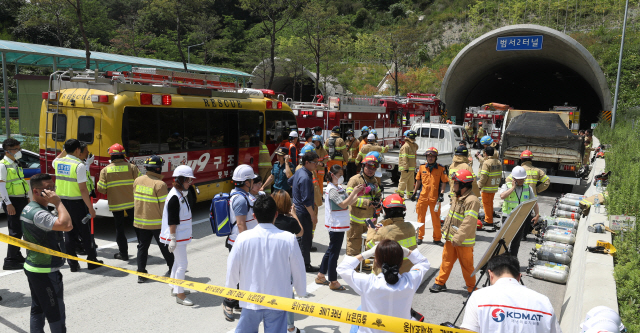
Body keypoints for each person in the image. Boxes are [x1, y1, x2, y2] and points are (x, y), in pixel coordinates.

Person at [226, 195, 307, 333]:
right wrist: (301, 291)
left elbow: (232, 267)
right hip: (278, 299)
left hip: (250, 299)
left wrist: (230, 290)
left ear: (254, 215)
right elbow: (298, 268)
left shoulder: (242, 238)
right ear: (276, 214)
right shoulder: (288, 239)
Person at [337, 239, 431, 333]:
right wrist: (405, 251)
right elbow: (423, 262)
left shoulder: (368, 282)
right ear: (401, 261)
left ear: (376, 262)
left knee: (360, 310)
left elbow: (342, 268)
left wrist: (367, 254)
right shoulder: (410, 281)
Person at [21, 174, 72, 332]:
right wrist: (58, 203)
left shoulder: (30, 208)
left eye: (53, 187)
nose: (53, 192)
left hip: (34, 267)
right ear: (36, 192)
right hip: (45, 270)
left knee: (38, 308)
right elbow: (67, 225)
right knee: (56, 313)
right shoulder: (39, 213)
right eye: (48, 189)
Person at [460, 254, 561, 333]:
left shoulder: (478, 297)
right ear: (519, 277)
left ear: (490, 274)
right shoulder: (543, 302)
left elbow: (468, 330)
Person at [429, 169, 480, 296]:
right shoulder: (457, 196)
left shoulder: (472, 201)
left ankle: (472, 288)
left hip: (463, 241)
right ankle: (440, 283)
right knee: (446, 261)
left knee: (467, 266)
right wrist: (445, 230)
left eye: (455, 183)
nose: (453, 185)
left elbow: (469, 222)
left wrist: (457, 238)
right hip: (450, 238)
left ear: (463, 185)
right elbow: (451, 216)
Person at [53, 139, 102, 271]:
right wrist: (91, 208)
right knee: (85, 232)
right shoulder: (78, 165)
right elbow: (83, 189)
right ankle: (92, 261)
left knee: (68, 232)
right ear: (77, 150)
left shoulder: (57, 162)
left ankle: (73, 264)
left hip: (62, 203)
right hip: (77, 203)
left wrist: (66, 149)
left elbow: (59, 156)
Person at [317, 164, 363, 291]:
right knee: (334, 253)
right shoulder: (331, 189)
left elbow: (348, 202)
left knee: (331, 250)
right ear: (332, 175)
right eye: (339, 175)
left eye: (342, 175)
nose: (341, 177)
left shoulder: (338, 187)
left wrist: (357, 194)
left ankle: (321, 275)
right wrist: (353, 192)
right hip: (335, 225)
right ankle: (333, 280)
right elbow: (343, 205)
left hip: (340, 224)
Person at [224, 164, 259, 319]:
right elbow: (240, 224)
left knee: (243, 275)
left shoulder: (242, 196)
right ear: (246, 182)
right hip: (239, 243)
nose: (253, 181)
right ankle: (228, 304)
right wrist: (246, 245)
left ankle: (238, 301)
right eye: (251, 179)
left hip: (241, 242)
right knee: (235, 275)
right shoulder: (240, 200)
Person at [133, 155, 174, 283]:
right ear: (157, 169)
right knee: (165, 247)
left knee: (142, 247)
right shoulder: (160, 184)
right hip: (156, 223)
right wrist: (168, 225)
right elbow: (164, 208)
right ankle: (173, 269)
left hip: (140, 221)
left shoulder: (137, 180)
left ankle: (141, 274)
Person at [96, 143, 141, 261]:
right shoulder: (132, 167)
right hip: (132, 202)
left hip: (116, 204)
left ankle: (123, 254)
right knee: (138, 226)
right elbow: (140, 182)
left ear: (111, 156)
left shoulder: (105, 170)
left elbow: (101, 189)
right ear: (123, 155)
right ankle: (142, 249)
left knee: (119, 229)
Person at [160, 165, 195, 306]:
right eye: (188, 180)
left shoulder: (180, 193)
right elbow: (172, 220)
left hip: (181, 235)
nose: (190, 183)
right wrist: (173, 239)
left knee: (177, 262)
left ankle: (175, 288)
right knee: (182, 264)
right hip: (177, 236)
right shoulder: (175, 197)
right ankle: (180, 295)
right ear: (180, 180)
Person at [271, 190, 306, 333]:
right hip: (285, 264)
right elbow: (301, 232)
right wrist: (294, 215)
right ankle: (290, 327)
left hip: (270, 263)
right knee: (288, 296)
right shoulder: (290, 222)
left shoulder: (269, 221)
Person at [1, 138, 30, 270]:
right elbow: (1, 187)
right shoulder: (3, 165)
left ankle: (17, 255)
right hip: (12, 201)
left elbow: (20, 182)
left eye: (19, 149)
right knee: (15, 232)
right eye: (16, 149)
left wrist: (26, 197)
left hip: (21, 200)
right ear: (7, 151)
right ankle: (10, 261)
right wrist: (8, 203)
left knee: (20, 230)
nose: (19, 151)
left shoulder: (16, 163)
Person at [345, 154, 382, 259]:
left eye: (374, 168)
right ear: (363, 166)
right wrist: (368, 203)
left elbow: (378, 193)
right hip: (356, 221)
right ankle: (352, 269)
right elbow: (350, 199)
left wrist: (378, 200)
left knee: (368, 245)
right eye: (369, 167)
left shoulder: (374, 180)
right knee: (354, 246)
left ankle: (363, 264)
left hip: (370, 222)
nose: (371, 170)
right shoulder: (355, 180)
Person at [289, 150, 319, 272]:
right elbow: (306, 201)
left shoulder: (299, 171)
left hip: (297, 210)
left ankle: (298, 263)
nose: (317, 165)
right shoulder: (306, 177)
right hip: (304, 212)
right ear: (307, 162)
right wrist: (313, 216)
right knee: (306, 240)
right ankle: (305, 265)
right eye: (315, 162)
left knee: (299, 239)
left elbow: (289, 182)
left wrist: (297, 193)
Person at [500, 166, 540, 257]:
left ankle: (513, 260)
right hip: (508, 218)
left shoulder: (528, 188)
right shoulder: (506, 186)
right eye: (519, 179)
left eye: (523, 179)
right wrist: (513, 188)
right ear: (513, 179)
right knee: (504, 241)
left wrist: (537, 214)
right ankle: (502, 260)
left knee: (516, 241)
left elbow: (534, 203)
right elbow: (502, 196)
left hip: (520, 218)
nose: (521, 181)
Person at [413, 147, 448, 245]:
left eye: (432, 156)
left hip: (435, 199)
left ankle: (437, 238)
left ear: (436, 157)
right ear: (426, 157)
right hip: (422, 197)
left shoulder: (441, 168)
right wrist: (414, 192)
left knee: (436, 219)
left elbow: (444, 182)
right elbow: (418, 181)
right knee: (420, 218)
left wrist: (441, 194)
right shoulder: (422, 167)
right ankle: (419, 237)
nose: (430, 158)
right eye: (428, 156)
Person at [477, 146, 501, 228]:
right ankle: (489, 217)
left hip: (487, 187)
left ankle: (488, 220)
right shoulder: (498, 162)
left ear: (486, 153)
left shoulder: (487, 163)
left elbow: (484, 176)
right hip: (494, 186)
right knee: (490, 203)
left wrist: (479, 186)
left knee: (486, 204)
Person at [397, 130, 418, 199]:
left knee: (411, 182)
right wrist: (405, 167)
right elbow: (404, 158)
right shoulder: (405, 146)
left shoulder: (412, 146)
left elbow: (417, 147)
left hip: (411, 168)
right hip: (406, 168)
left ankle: (410, 195)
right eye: (412, 138)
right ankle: (400, 195)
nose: (413, 139)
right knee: (403, 182)